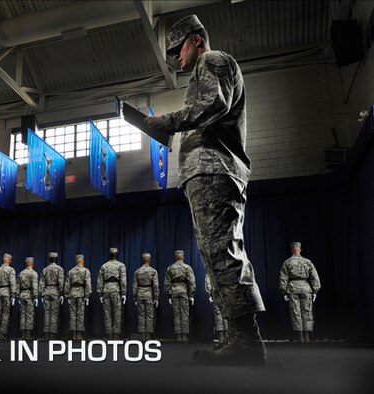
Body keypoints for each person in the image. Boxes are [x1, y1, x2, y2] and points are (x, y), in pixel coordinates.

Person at [146, 14, 266, 365]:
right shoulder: (202, 70)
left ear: (196, 40)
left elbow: (214, 104)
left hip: (216, 170)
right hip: (205, 173)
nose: (175, 58)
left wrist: (164, 122)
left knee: (223, 253)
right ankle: (237, 338)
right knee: (215, 256)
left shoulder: (212, 61)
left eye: (177, 48)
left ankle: (247, 341)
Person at [279, 242, 321, 344]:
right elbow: (315, 277)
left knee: (295, 313)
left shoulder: (287, 262)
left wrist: (284, 292)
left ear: (291, 250)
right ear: (300, 250)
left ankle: (300, 337)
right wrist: (315, 290)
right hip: (306, 289)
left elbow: (283, 278)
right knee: (307, 312)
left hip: (292, 289)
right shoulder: (307, 262)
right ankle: (307, 337)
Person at [164, 250, 195, 342]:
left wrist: (169, 294)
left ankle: (178, 335)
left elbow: (167, 283)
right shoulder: (187, 268)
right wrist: (191, 295)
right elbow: (191, 282)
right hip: (184, 291)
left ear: (175, 257)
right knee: (185, 313)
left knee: (176, 314)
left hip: (174, 291)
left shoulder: (170, 268)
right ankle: (185, 335)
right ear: (183, 257)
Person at [97, 247, 127, 340]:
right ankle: (116, 335)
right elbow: (123, 280)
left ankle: (109, 335)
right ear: (116, 254)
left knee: (107, 314)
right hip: (116, 290)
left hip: (106, 290)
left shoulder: (104, 266)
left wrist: (100, 293)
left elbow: (100, 281)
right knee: (117, 313)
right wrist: (123, 293)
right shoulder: (121, 265)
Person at [64, 254, 92, 340]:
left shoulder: (71, 271)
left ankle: (74, 334)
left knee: (73, 314)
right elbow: (87, 284)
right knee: (80, 314)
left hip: (72, 293)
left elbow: (67, 284)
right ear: (83, 261)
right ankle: (79, 334)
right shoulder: (85, 271)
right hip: (81, 294)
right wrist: (87, 295)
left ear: (76, 261)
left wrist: (67, 295)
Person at [133, 253, 159, 341]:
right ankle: (148, 336)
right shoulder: (153, 271)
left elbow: (134, 286)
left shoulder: (137, 271)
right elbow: (155, 286)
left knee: (141, 315)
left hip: (140, 294)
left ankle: (142, 336)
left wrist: (135, 297)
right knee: (149, 315)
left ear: (143, 260)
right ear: (149, 260)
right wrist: (156, 297)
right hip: (149, 294)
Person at [0, 254, 17, 340]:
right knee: (5, 314)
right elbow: (13, 283)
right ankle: (2, 333)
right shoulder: (11, 270)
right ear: (9, 260)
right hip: (6, 294)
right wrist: (13, 295)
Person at [40, 252, 65, 340]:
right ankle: (52, 334)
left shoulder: (45, 269)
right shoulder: (59, 269)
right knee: (54, 314)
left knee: (47, 313)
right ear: (56, 259)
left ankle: (46, 334)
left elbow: (42, 283)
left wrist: (42, 294)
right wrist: (61, 294)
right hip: (55, 292)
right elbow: (61, 282)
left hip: (46, 292)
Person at [205, 272, 231, 346]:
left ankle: (221, 339)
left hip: (216, 293)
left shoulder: (211, 267)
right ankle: (227, 338)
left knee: (218, 315)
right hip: (226, 292)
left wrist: (210, 294)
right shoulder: (226, 266)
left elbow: (208, 282)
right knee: (226, 314)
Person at [17, 257, 39, 340]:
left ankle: (22, 334)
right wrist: (36, 296)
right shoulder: (33, 273)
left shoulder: (21, 273)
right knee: (29, 314)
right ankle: (28, 335)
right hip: (29, 295)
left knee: (23, 315)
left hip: (22, 294)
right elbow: (34, 286)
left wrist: (18, 296)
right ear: (32, 264)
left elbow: (18, 285)